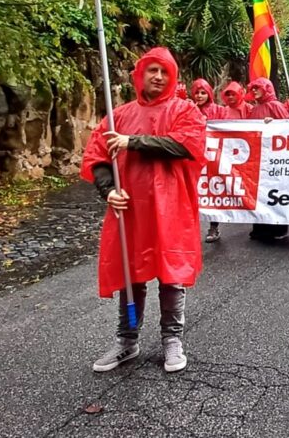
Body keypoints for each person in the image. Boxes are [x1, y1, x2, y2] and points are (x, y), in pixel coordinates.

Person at [82, 48, 205, 374]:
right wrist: (109, 191)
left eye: (165, 72)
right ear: (140, 74)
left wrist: (131, 142)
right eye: (152, 70)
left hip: (171, 207)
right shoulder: (117, 115)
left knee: (171, 275)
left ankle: (172, 339)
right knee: (130, 274)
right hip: (130, 208)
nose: (158, 77)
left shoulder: (185, 110)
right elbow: (97, 158)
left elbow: (184, 145)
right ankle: (127, 339)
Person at [247, 78, 289, 242]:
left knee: (276, 192)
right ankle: (259, 227)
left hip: (276, 157)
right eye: (253, 89)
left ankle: (278, 227)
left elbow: (287, 127)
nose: (254, 91)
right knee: (260, 192)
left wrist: (274, 125)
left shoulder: (276, 106)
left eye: (257, 88)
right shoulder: (255, 108)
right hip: (261, 158)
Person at [205, 81, 250, 243]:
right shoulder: (222, 111)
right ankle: (214, 226)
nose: (231, 97)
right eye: (228, 94)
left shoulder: (249, 109)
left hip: (246, 156)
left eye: (233, 94)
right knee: (217, 189)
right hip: (225, 156)